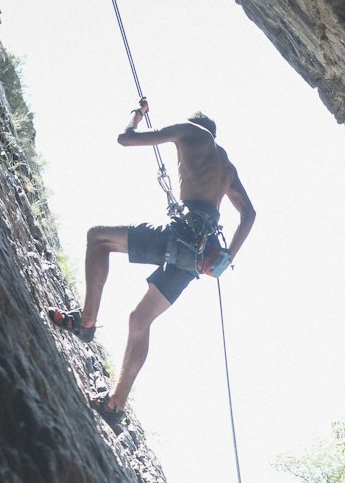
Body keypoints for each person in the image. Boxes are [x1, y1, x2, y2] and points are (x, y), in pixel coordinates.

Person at [49, 99, 256, 431]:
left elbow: (125, 140)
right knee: (139, 320)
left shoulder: (192, 132)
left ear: (197, 128)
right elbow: (249, 213)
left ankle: (86, 322)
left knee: (97, 239)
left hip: (180, 236)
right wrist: (227, 257)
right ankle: (115, 404)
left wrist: (137, 117)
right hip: (198, 258)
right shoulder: (227, 168)